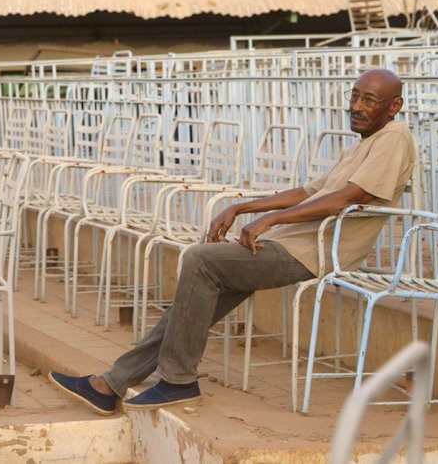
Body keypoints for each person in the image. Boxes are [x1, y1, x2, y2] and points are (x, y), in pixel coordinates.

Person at [49, 69, 416, 415]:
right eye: (354, 97)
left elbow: (348, 198)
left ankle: (178, 380)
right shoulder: (362, 143)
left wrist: (269, 218)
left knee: (201, 260)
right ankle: (110, 385)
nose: (356, 107)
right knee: (195, 295)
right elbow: (309, 191)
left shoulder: (394, 137)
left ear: (393, 106)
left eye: (368, 100)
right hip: (288, 244)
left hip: (316, 252)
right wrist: (242, 207)